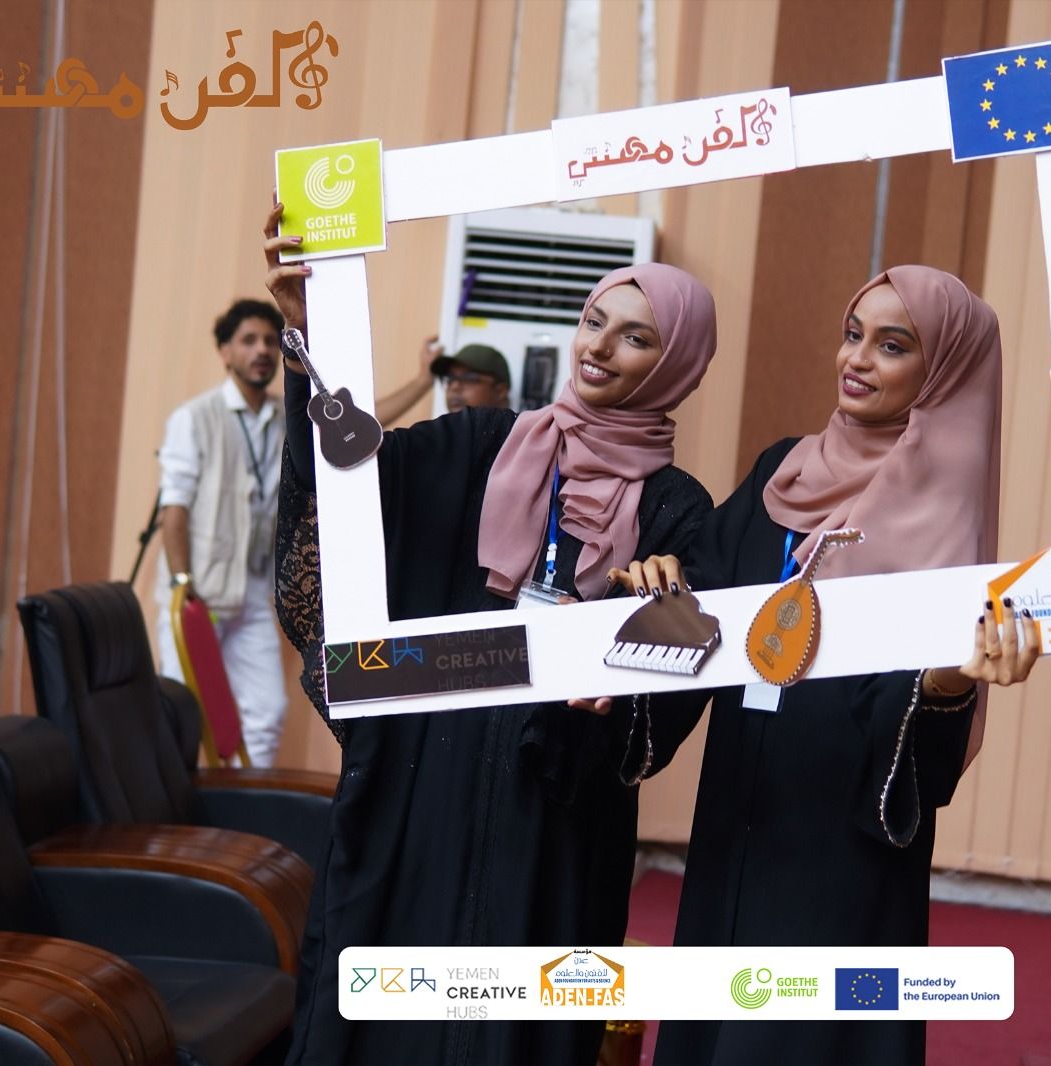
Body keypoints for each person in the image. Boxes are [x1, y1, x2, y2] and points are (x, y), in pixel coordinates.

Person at [262, 195, 719, 1065]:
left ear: (678, 366)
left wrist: (644, 634)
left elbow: (659, 716)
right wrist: (311, 341)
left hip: (550, 834)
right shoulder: (479, 444)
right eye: (594, 322)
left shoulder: (678, 515)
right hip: (416, 794)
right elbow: (343, 491)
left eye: (636, 338)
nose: (598, 347)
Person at [602, 266, 1042, 1066]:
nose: (857, 359)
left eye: (893, 346)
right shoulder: (783, 471)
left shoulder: (942, 511)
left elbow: (920, 729)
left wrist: (950, 682)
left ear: (944, 370)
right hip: (736, 815)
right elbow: (700, 614)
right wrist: (650, 599)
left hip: (839, 849)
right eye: (852, 335)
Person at [155, 298, 289, 767]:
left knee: (267, 713)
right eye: (249, 340)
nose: (262, 350)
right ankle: (173, 810)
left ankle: (249, 807)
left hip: (252, 590)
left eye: (270, 341)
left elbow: (355, 420)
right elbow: (174, 506)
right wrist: (182, 584)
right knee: (183, 716)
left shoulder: (286, 416)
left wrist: (422, 380)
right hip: (200, 591)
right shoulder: (195, 417)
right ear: (225, 352)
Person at [373, 337, 513, 425]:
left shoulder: (519, 444)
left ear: (500, 391)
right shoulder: (439, 441)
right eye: (450, 379)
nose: (454, 386)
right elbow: (364, 427)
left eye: (468, 378)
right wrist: (423, 381)